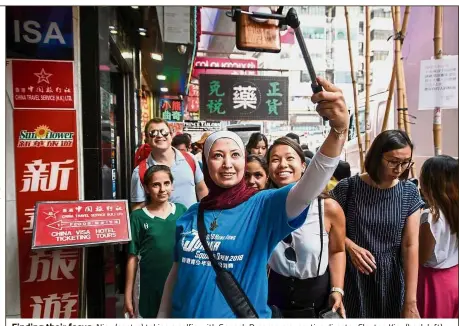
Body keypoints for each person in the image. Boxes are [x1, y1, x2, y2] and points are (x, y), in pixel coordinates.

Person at [157, 77, 350, 318]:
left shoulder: (262, 207)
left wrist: (339, 131)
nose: (227, 163)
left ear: (244, 161)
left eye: (235, 155)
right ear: (205, 164)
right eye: (217, 156)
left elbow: (308, 188)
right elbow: (176, 273)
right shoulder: (191, 215)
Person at [329, 130, 425, 318]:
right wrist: (348, 245)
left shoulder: (409, 193)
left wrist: (411, 301)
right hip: (352, 278)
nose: (399, 169)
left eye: (405, 162)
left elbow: (410, 245)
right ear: (376, 157)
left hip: (392, 281)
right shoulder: (348, 188)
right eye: (393, 161)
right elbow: (326, 229)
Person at [266, 137, 346, 318]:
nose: (282, 165)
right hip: (274, 298)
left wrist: (337, 289)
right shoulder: (263, 206)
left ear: (303, 166)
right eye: (275, 160)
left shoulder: (328, 208)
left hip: (316, 300)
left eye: (289, 158)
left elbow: (337, 250)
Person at [125, 165, 187, 318]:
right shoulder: (138, 217)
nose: (162, 189)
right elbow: (132, 258)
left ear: (172, 185)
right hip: (148, 286)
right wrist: (127, 295)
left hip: (179, 283)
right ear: (146, 188)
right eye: (155, 185)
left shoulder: (182, 211)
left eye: (166, 183)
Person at [130, 118, 208, 210]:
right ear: (146, 139)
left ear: (171, 135)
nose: (159, 136)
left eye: (164, 132)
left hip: (192, 223)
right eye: (153, 133)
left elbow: (201, 189)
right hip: (160, 224)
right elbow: (138, 208)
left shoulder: (190, 159)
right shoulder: (140, 171)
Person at [417, 155, 458, 318]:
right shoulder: (454, 211)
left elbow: (421, 258)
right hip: (455, 276)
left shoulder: (431, 217)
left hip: (433, 283)